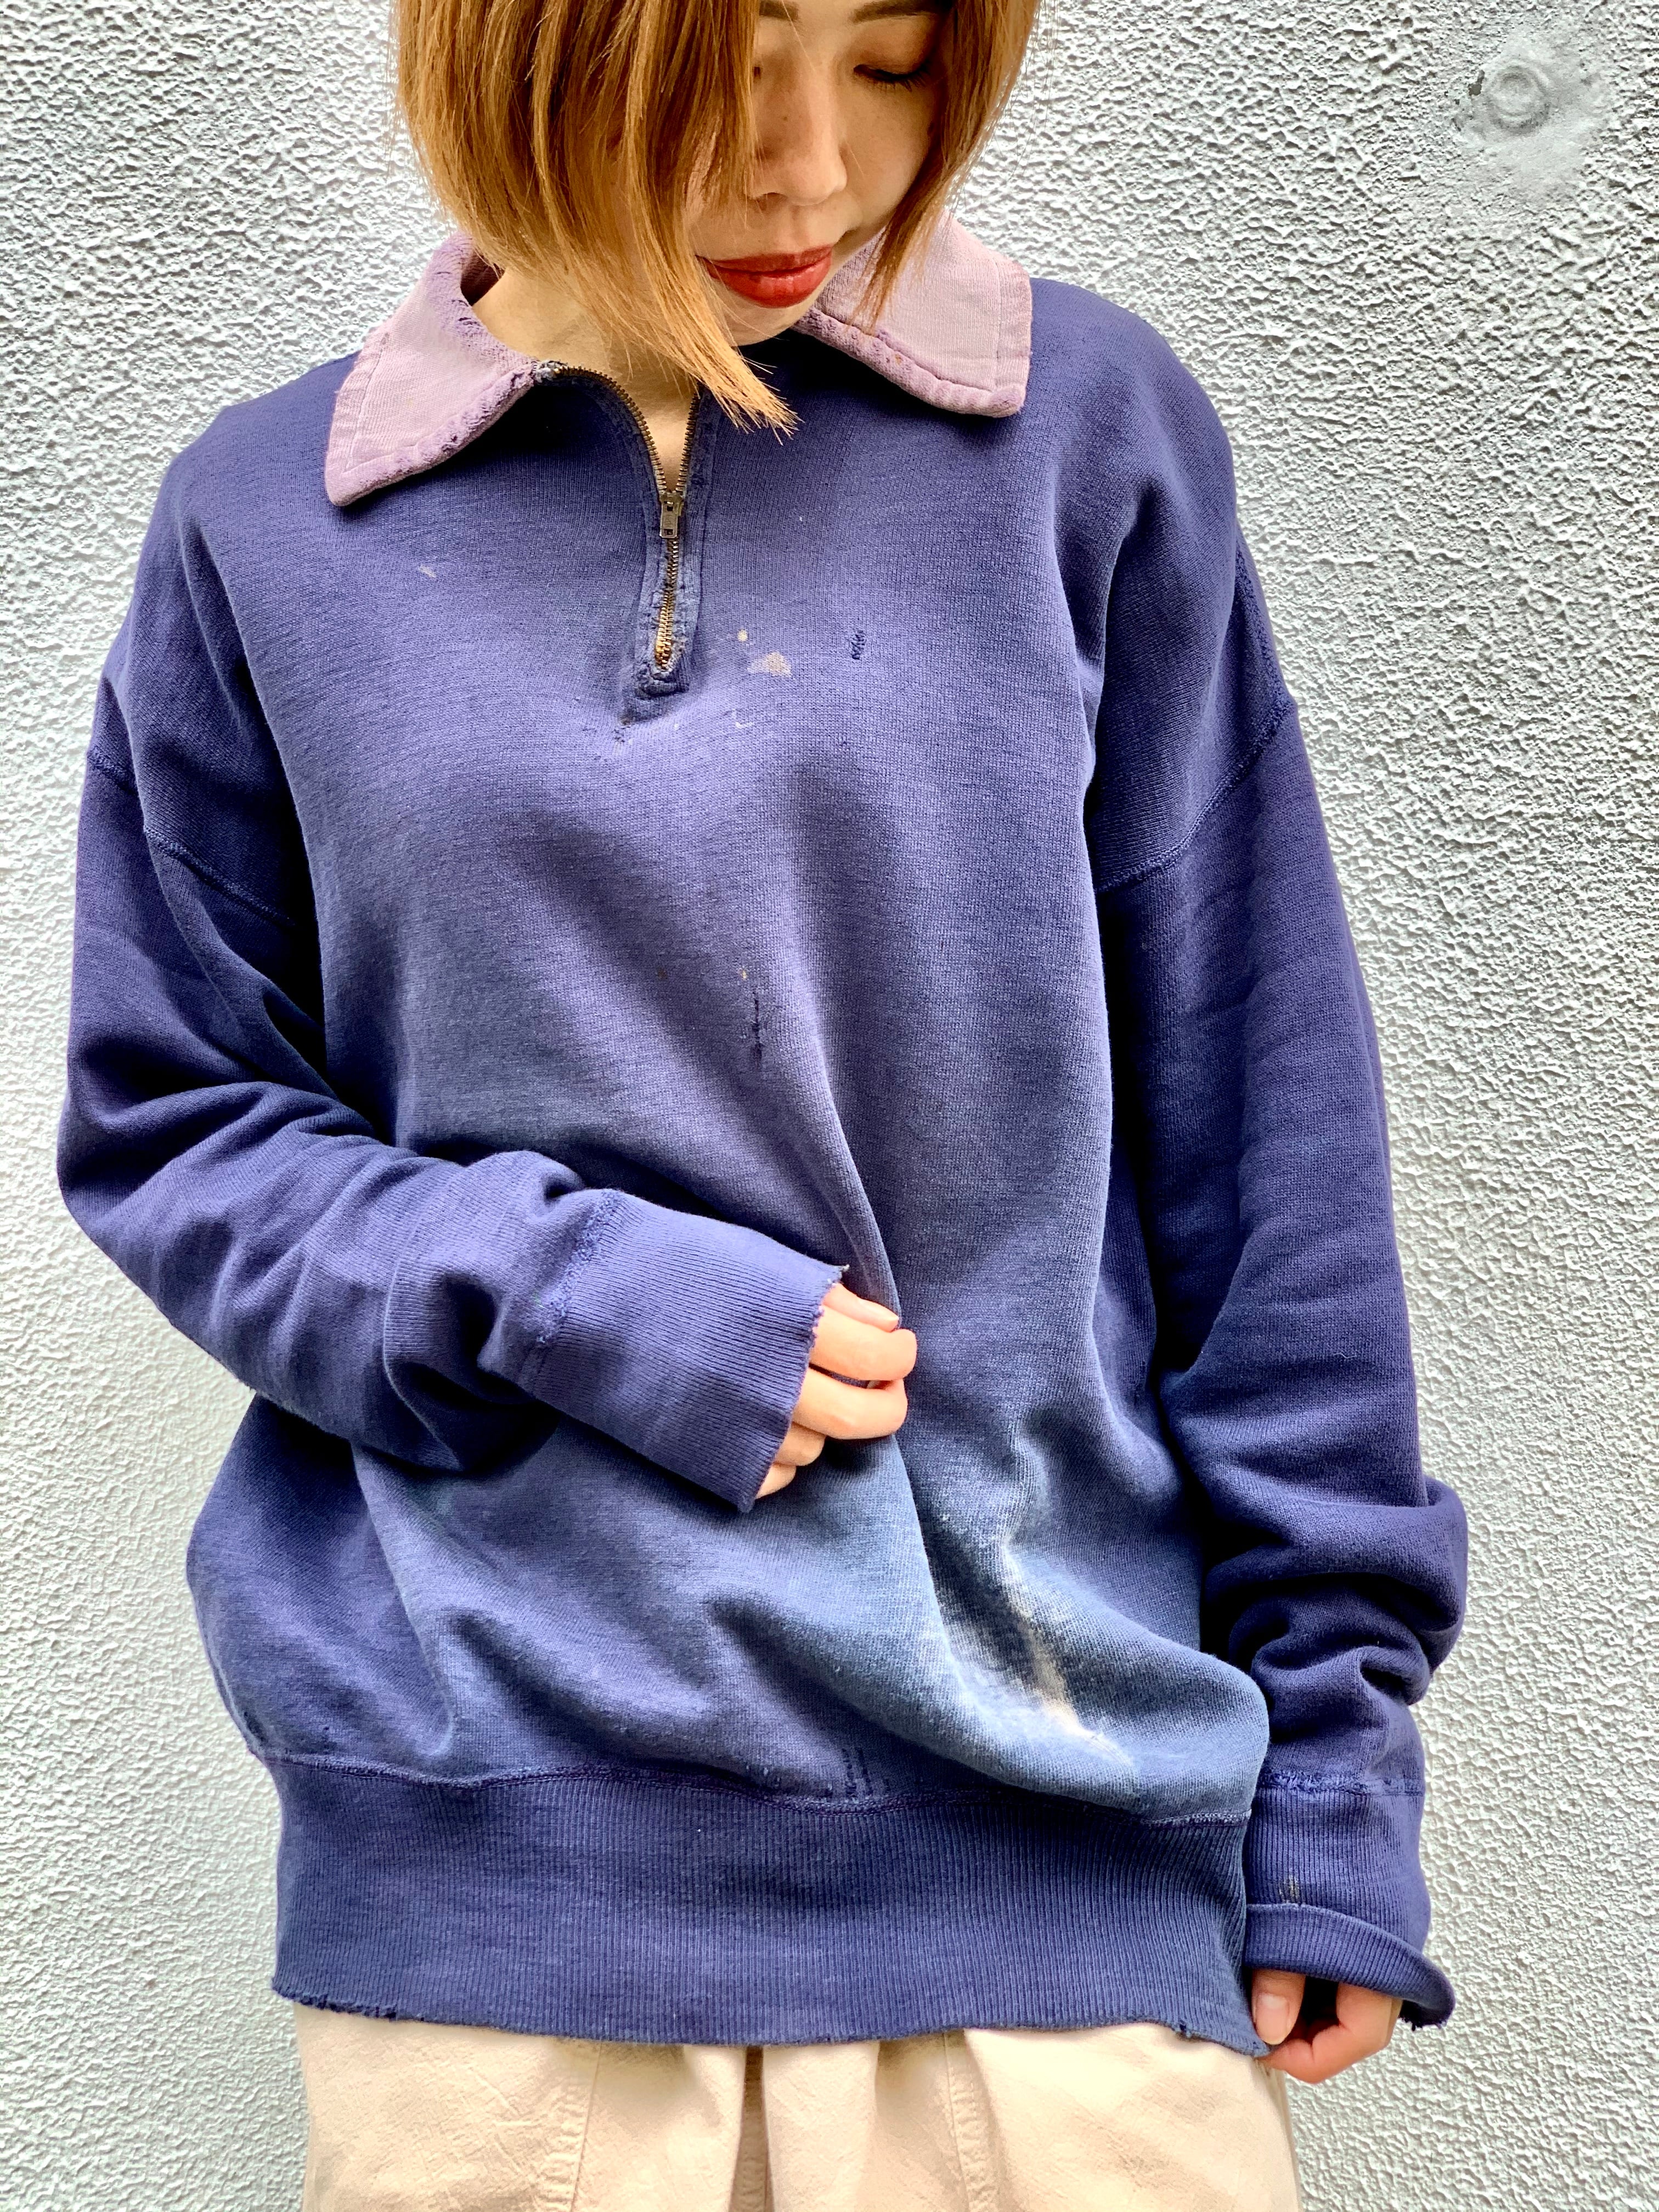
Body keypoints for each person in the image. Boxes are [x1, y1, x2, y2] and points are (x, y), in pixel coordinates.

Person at [57, 0, 1469, 2203]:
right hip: (505, 1919)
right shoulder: (272, 518)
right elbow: (172, 1123)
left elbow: (1263, 1131)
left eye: (891, 58)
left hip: (1067, 1878)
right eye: (725, 73)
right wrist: (565, 1294)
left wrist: (1334, 1764)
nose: (813, 163)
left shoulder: (1084, 442)